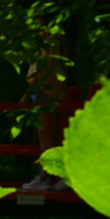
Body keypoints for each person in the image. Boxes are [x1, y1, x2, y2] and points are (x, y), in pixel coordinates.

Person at [21, 40, 70, 192]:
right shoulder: (47, 42)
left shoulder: (51, 42)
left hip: (45, 91)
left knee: (48, 135)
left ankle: (59, 176)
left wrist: (27, 93)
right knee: (44, 136)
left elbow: (43, 70)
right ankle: (46, 176)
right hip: (44, 91)